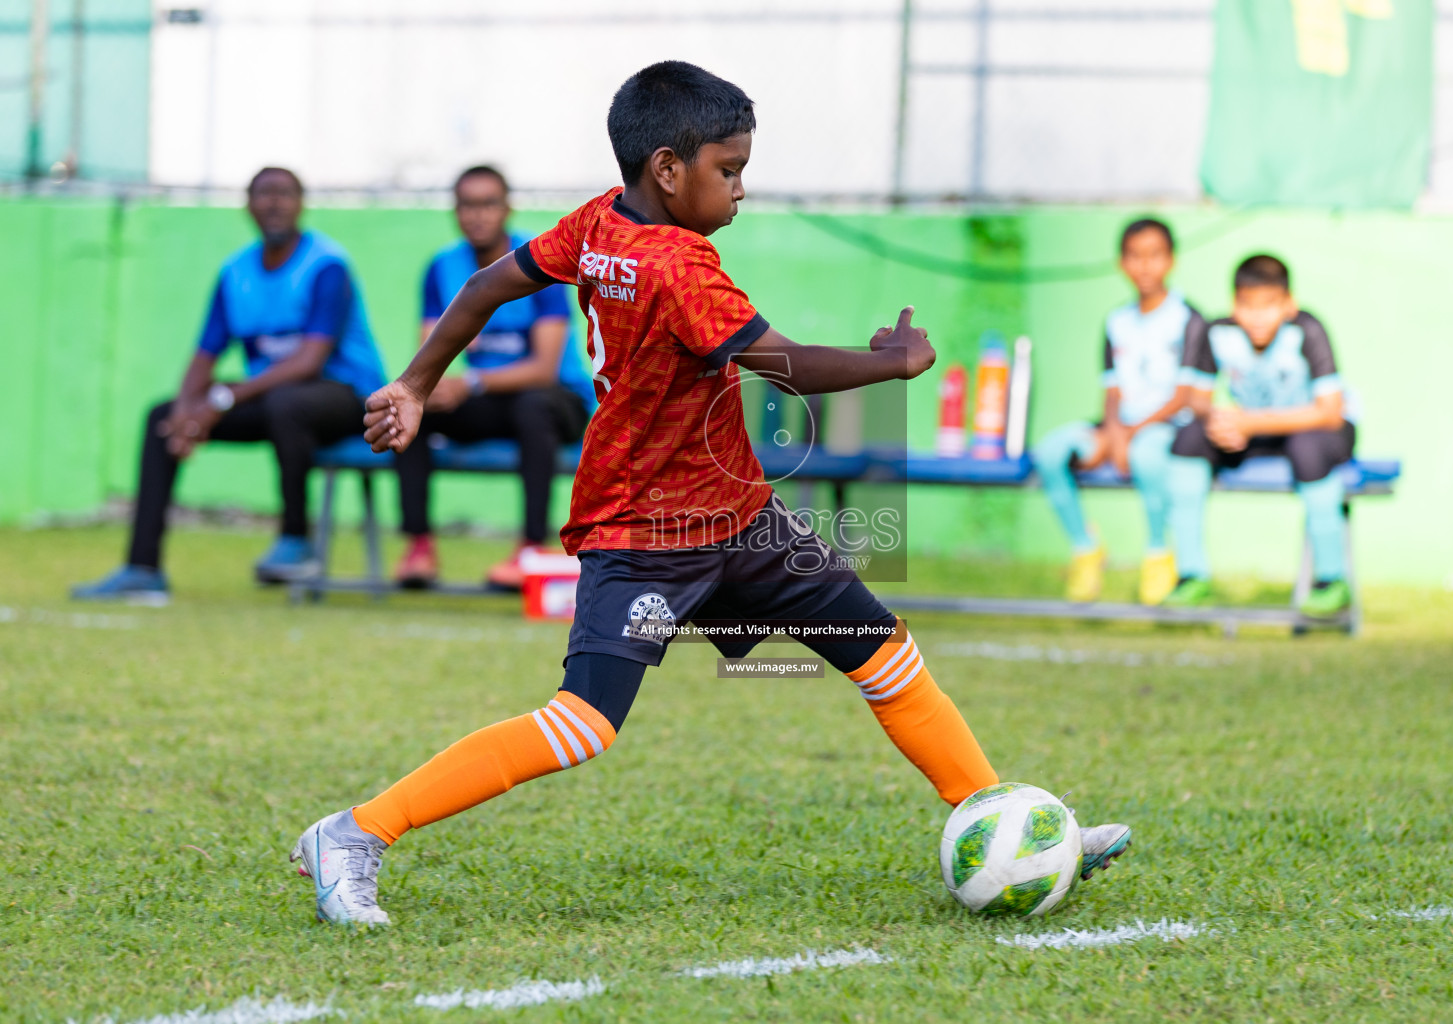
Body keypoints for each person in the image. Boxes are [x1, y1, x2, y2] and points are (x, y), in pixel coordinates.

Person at [289, 62, 1131, 925]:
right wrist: (895, 364)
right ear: (667, 168)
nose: (739, 190)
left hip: (738, 518)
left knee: (885, 656)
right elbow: (781, 364)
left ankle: (1002, 823)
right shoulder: (681, 268)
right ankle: (355, 833)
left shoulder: (599, 221)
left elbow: (487, 285)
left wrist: (416, 383)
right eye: (728, 171)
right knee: (583, 724)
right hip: (647, 530)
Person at [71, 168, 387, 603]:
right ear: (247, 206)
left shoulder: (327, 266)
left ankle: (295, 540)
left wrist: (221, 398)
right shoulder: (235, 273)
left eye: (284, 194)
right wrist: (187, 411)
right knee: (162, 417)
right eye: (264, 194)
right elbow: (205, 355)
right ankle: (142, 568)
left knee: (287, 402)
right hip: (272, 398)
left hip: (346, 398)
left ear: (301, 205)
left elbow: (309, 361)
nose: (274, 203)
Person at [393, 166, 595, 589]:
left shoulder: (541, 262)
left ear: (506, 209)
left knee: (533, 406)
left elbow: (543, 369)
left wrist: (471, 382)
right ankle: (419, 547)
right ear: (455, 211)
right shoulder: (442, 268)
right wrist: (435, 387)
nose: (477, 215)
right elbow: (432, 353)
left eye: (488, 204)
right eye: (468, 204)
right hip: (494, 399)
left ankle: (530, 549)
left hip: (556, 401)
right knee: (412, 406)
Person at [1163, 255, 1358, 617]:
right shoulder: (1217, 331)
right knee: (1189, 438)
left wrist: (1251, 422)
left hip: (1318, 431)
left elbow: (1329, 411)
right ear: (1233, 304)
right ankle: (1191, 573)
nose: (1256, 317)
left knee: (1308, 450)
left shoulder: (1308, 330)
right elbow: (1198, 400)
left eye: (1268, 306)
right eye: (1247, 306)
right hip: (1254, 429)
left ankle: (1332, 579)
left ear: (1288, 304)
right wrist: (1223, 421)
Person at [1031, 218, 1204, 606]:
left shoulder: (1189, 319)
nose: (1145, 266)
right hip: (1120, 427)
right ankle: (1086, 548)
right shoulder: (1116, 321)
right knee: (1051, 453)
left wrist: (1130, 434)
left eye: (1154, 256)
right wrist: (1113, 433)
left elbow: (1185, 396)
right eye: (1135, 256)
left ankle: (1159, 553)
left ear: (1171, 260)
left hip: (1166, 428)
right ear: (1121, 263)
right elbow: (1111, 390)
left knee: (1147, 455)